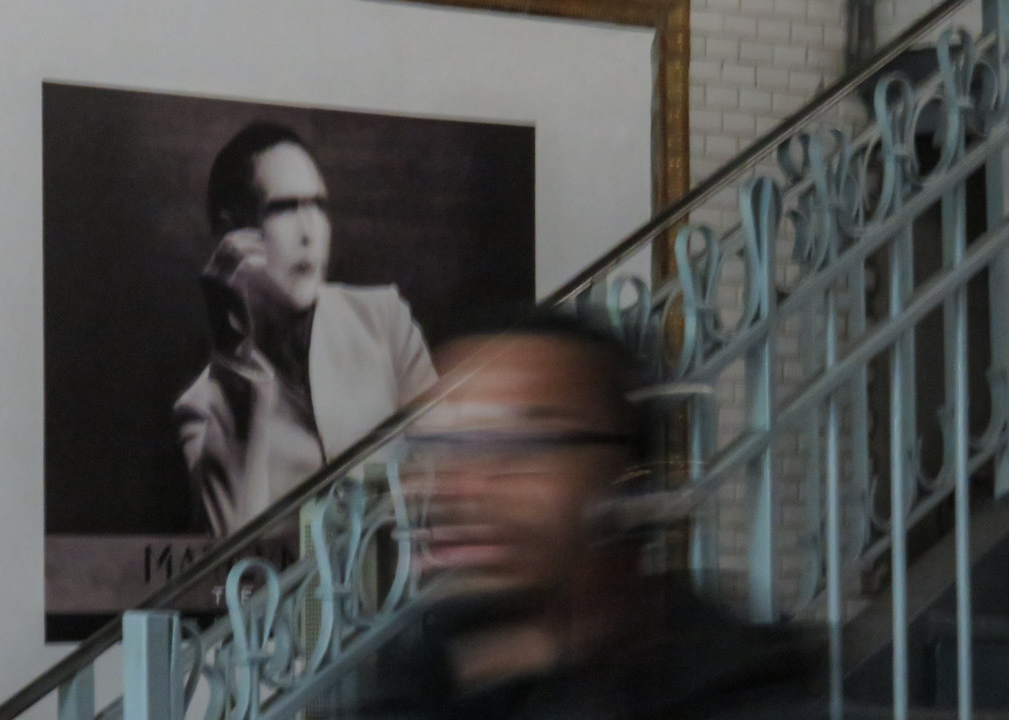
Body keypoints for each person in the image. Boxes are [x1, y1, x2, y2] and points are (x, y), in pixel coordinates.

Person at [358, 310, 826, 720]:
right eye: (437, 443)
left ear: (625, 479)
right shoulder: (424, 674)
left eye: (517, 444)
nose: (458, 484)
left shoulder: (733, 684)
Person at [174, 122, 437, 537]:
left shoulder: (383, 321)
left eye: (318, 206)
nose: (309, 232)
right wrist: (235, 357)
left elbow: (444, 474)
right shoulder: (204, 409)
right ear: (230, 234)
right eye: (283, 208)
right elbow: (230, 555)